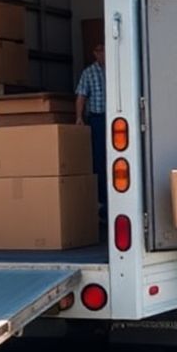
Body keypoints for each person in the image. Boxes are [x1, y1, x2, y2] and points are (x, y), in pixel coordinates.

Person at [75, 42, 108, 222]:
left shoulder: (117, 68)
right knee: (99, 159)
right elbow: (81, 96)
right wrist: (79, 117)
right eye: (98, 51)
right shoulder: (89, 73)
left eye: (104, 50)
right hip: (98, 119)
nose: (101, 54)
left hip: (117, 118)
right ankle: (102, 203)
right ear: (94, 54)